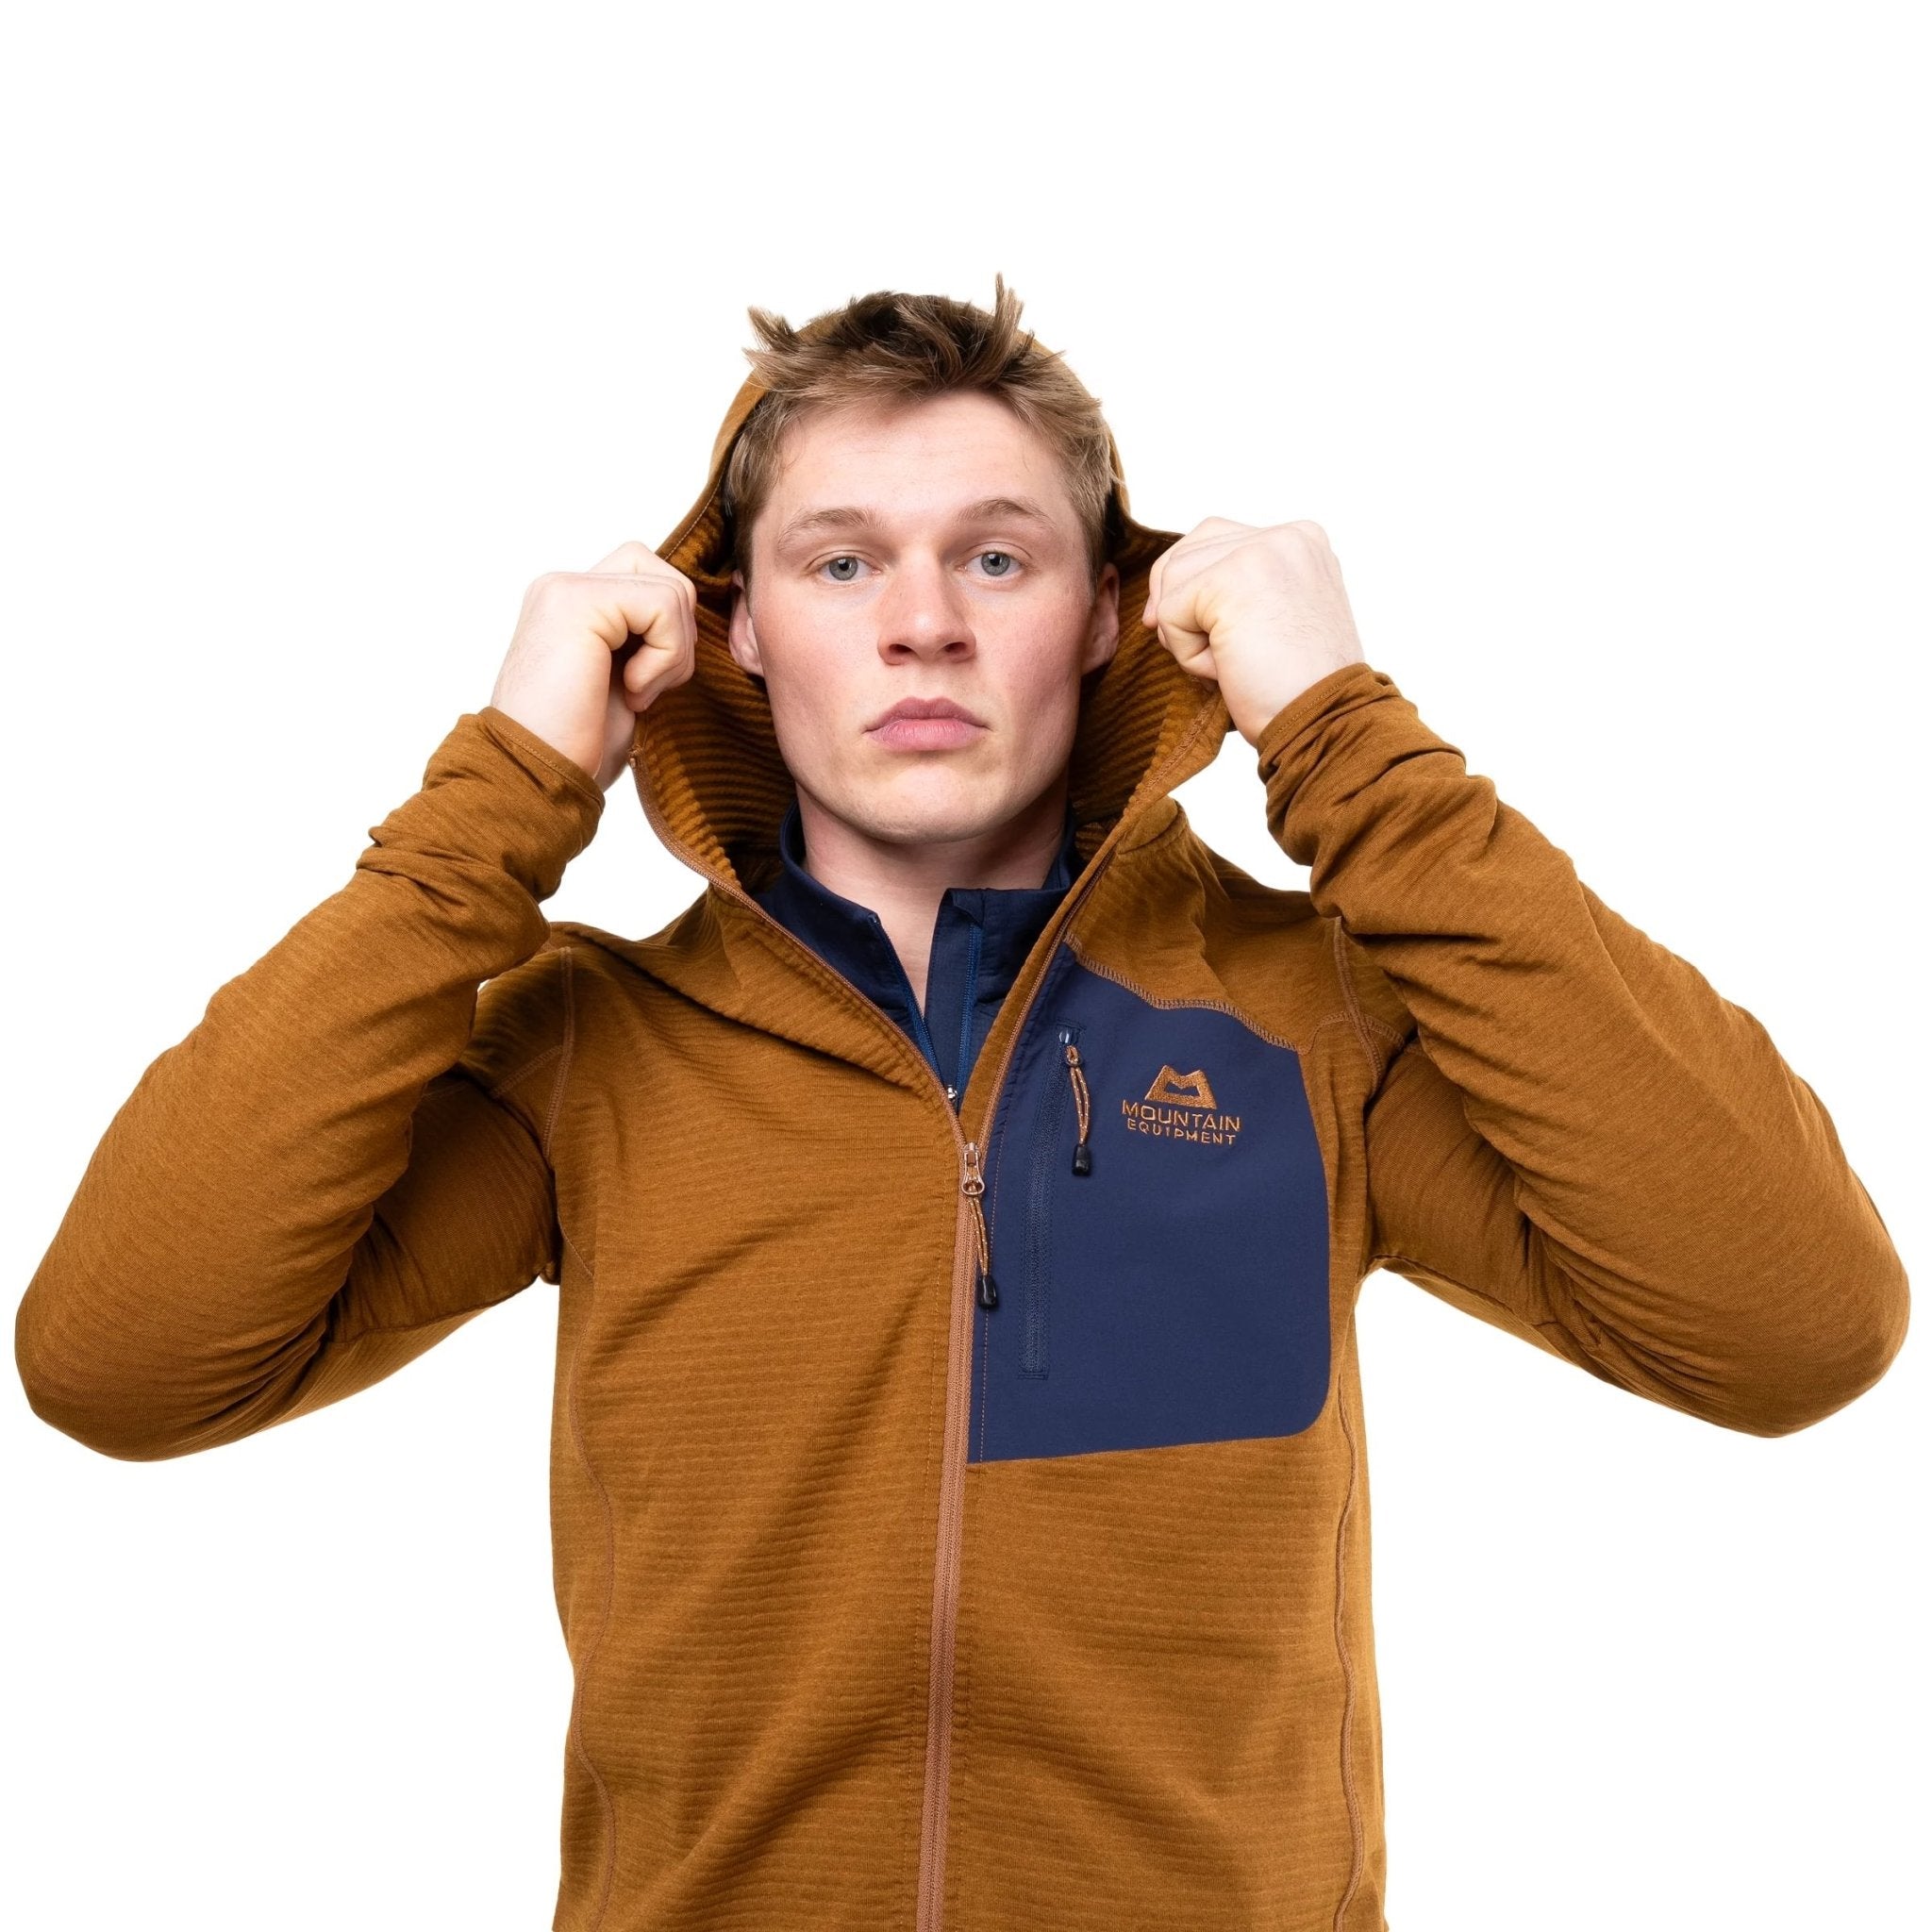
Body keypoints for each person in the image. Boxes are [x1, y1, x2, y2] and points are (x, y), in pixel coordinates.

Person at [15, 277, 1909, 1930]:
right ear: (735, 628)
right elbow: (123, 1363)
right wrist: (503, 790)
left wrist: (1349, 740)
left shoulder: (1312, 1024)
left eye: (995, 557)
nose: (921, 622)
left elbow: (1794, 1327)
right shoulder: (595, 1052)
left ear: (1107, 615)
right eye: (841, 562)